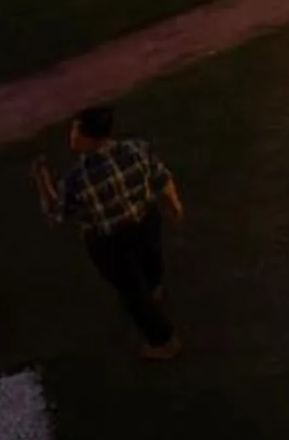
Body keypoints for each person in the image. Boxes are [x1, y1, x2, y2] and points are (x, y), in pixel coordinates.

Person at [33, 105, 184, 358]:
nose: (71, 133)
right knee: (151, 258)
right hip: (145, 221)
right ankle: (155, 288)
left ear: (84, 135)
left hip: (110, 242)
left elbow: (55, 213)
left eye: (75, 128)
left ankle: (163, 342)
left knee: (132, 292)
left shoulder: (78, 178)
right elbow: (161, 178)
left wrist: (41, 179)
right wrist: (174, 205)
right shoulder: (136, 149)